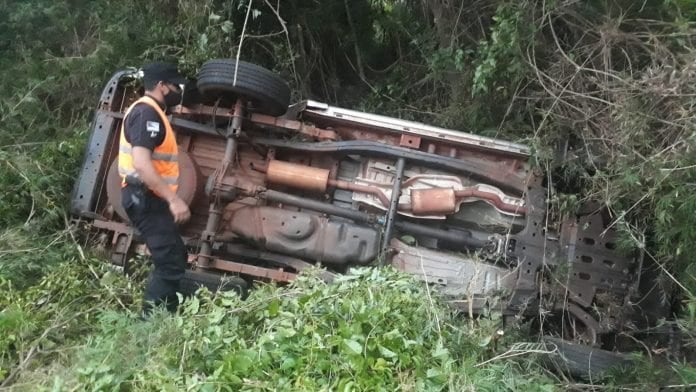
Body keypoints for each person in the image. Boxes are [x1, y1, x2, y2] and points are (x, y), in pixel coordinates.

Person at [118, 62, 191, 314]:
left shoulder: (152, 112)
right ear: (161, 86)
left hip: (150, 198)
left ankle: (166, 317)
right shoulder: (146, 114)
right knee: (170, 263)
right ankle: (149, 326)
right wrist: (174, 199)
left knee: (176, 255)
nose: (177, 89)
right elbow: (141, 162)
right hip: (144, 198)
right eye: (174, 85)